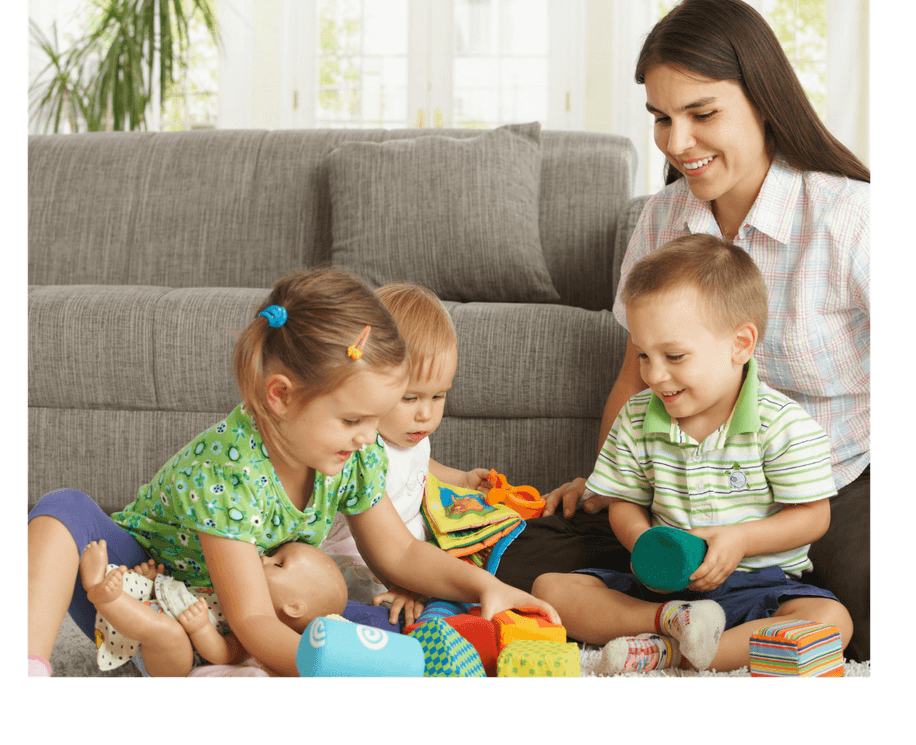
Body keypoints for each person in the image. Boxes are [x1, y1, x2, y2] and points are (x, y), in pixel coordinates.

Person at [497, 0, 870, 661]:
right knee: (516, 563)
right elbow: (631, 377)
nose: (677, 142)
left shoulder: (849, 217)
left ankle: (679, 633)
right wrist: (611, 481)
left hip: (823, 492)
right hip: (677, 491)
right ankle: (674, 625)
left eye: (701, 114)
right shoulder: (662, 220)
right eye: (662, 118)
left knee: (849, 610)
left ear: (762, 98)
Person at [27, 267, 558, 678]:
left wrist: (487, 585)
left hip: (217, 621)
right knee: (63, 508)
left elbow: (399, 553)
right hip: (135, 586)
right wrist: (321, 667)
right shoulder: (229, 471)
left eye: (375, 419)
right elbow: (254, 619)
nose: (370, 437)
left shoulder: (353, 452)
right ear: (280, 396)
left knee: (387, 624)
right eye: (353, 419)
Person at [533, 234, 853, 673]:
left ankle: (671, 654)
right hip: (664, 592)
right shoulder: (638, 416)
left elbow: (814, 516)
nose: (655, 375)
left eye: (675, 355)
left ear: (740, 344)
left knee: (831, 622)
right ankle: (669, 626)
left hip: (758, 588)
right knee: (550, 590)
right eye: (644, 355)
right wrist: (641, 540)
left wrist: (741, 539)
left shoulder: (782, 424)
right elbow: (625, 501)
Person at [322, 282, 491, 625]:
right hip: (359, 560)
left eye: (438, 396)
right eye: (410, 398)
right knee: (386, 613)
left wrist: (460, 479)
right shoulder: (362, 449)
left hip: (411, 550)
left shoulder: (409, 433)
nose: (425, 414)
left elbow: (419, 465)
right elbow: (383, 547)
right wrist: (400, 583)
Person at [78, 538, 341, 677]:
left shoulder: (263, 635)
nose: (263, 558)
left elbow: (223, 655)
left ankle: (106, 597)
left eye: (278, 564)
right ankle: (116, 589)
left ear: (293, 607)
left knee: (168, 633)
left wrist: (202, 628)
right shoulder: (237, 592)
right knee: (157, 614)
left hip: (177, 665)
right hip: (159, 612)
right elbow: (187, 594)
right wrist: (154, 583)